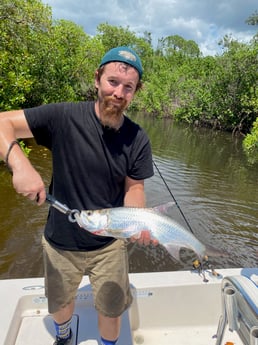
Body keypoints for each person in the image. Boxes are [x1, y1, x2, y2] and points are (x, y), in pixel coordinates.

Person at [0, 46, 154, 345]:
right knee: (60, 304)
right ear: (97, 79)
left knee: (111, 310)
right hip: (61, 240)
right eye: (112, 82)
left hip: (110, 243)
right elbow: (2, 122)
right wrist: (19, 164)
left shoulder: (138, 138)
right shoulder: (62, 116)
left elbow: (135, 188)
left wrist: (137, 222)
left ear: (136, 91)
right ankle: (63, 335)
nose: (119, 93)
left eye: (128, 87)